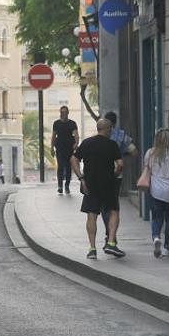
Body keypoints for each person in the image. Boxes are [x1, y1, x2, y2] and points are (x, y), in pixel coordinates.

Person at [71, 118, 125, 259]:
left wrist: (81, 178)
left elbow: (74, 159)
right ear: (107, 129)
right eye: (110, 130)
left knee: (91, 215)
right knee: (114, 211)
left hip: (90, 184)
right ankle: (111, 242)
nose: (111, 132)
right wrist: (115, 175)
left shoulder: (87, 143)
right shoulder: (112, 145)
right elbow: (120, 164)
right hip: (108, 183)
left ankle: (92, 249)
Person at [145, 128, 169, 258]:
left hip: (156, 191)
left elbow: (147, 169)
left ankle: (156, 237)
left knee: (157, 218)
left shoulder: (150, 153)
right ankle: (167, 248)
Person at [101, 111, 137, 244]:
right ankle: (112, 234)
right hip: (118, 175)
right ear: (116, 122)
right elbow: (134, 151)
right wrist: (122, 154)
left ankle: (108, 233)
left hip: (104, 174)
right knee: (114, 206)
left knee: (104, 206)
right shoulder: (122, 136)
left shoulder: (103, 135)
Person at [51, 106, 79, 194]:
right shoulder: (56, 123)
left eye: (65, 112)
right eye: (62, 112)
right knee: (60, 166)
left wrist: (76, 143)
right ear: (60, 113)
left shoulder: (72, 123)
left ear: (68, 113)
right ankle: (60, 186)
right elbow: (53, 136)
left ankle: (67, 185)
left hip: (69, 148)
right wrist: (52, 147)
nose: (64, 114)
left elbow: (76, 134)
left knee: (68, 167)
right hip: (59, 148)